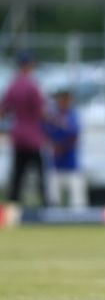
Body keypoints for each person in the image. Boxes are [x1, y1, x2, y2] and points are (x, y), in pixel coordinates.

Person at [0, 51, 47, 205]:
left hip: (18, 134)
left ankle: (14, 205)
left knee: (18, 174)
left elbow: (3, 110)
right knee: (40, 173)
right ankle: (45, 206)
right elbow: (42, 112)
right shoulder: (33, 86)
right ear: (28, 65)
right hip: (33, 135)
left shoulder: (13, 85)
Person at [43, 89, 87, 207]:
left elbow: (74, 136)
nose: (65, 102)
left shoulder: (73, 115)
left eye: (67, 100)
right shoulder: (51, 115)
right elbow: (44, 133)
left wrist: (61, 147)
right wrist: (52, 146)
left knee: (77, 200)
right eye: (62, 99)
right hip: (54, 163)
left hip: (71, 162)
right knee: (53, 199)